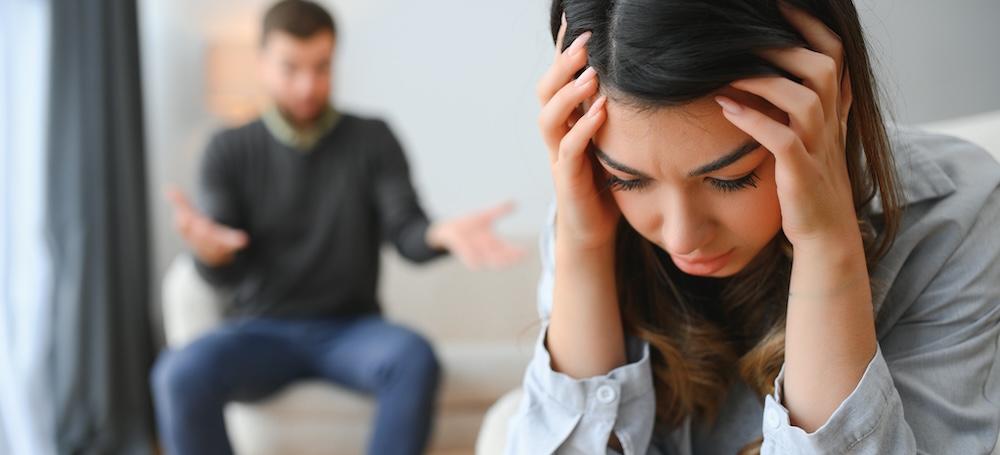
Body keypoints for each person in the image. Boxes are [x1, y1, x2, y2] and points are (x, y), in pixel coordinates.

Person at [504, 0, 1000, 453]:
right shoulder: (592, 207)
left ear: (829, 99)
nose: (681, 237)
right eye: (629, 180)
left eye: (730, 179)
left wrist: (826, 245)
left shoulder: (958, 214)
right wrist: (584, 243)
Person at [150, 1, 523, 454]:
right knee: (178, 373)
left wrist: (438, 234)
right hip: (260, 330)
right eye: (291, 68)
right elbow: (224, 261)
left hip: (352, 331)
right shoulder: (227, 150)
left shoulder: (373, 139)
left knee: (412, 357)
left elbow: (406, 230)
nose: (308, 85)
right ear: (261, 64)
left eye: (321, 67)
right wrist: (210, 253)